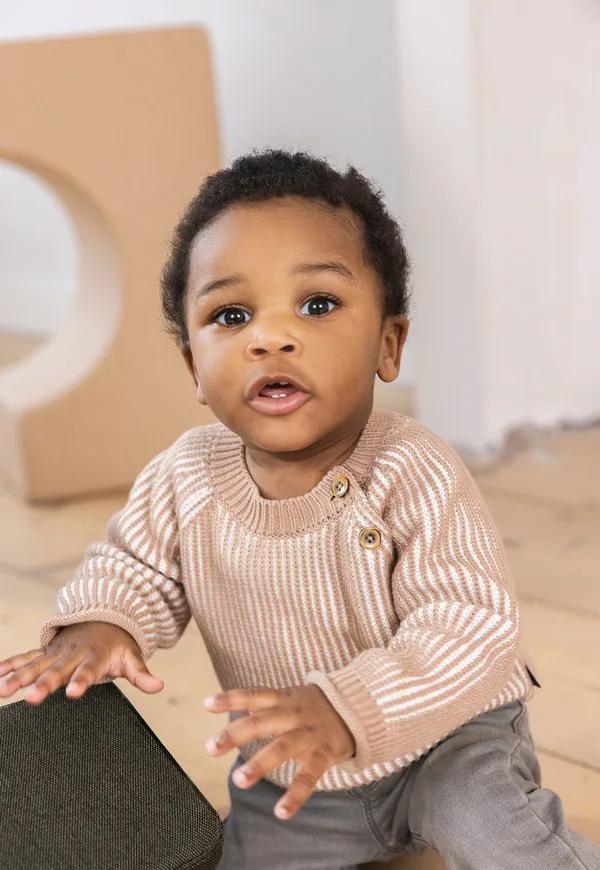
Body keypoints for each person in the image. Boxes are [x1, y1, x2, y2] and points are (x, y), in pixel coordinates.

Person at [0, 150, 597, 870]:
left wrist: (348, 709)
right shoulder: (187, 475)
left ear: (388, 343)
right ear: (194, 366)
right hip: (294, 779)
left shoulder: (412, 467)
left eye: (317, 305)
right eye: (231, 315)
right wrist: (101, 623)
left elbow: (470, 624)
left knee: (493, 826)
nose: (270, 337)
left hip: (448, 742)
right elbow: (134, 567)